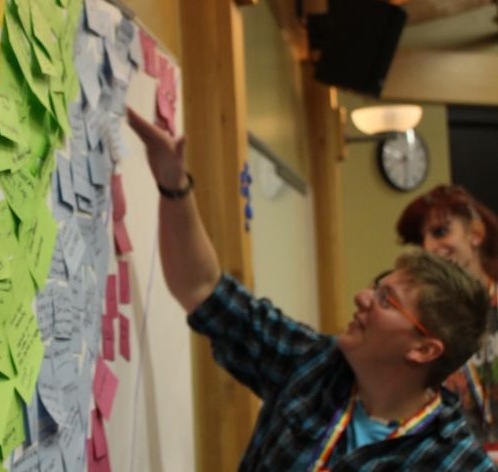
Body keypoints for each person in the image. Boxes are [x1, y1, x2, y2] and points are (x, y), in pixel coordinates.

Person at [126, 109, 495, 470]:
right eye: (375, 288)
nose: (361, 298)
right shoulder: (315, 365)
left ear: (424, 349)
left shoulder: (454, 461)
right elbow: (202, 288)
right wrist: (173, 185)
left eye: (386, 300)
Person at [397, 185, 498, 453]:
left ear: (475, 234)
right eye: (420, 241)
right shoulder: (425, 328)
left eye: (441, 232)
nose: (429, 248)